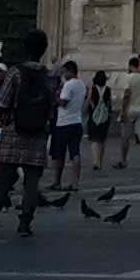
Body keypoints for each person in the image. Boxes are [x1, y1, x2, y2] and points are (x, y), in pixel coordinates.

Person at [0, 28, 58, 237]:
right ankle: (25, 223)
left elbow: (3, 102)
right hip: (37, 135)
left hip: (14, 132)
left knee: (2, 179)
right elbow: (51, 109)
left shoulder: (15, 72)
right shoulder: (49, 75)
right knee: (31, 183)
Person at [49, 54, 88, 194]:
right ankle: (75, 182)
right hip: (77, 121)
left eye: (65, 72)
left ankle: (57, 182)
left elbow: (64, 102)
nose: (64, 75)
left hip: (64, 122)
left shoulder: (68, 85)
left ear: (70, 71)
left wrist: (55, 98)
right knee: (75, 153)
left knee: (59, 154)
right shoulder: (82, 84)